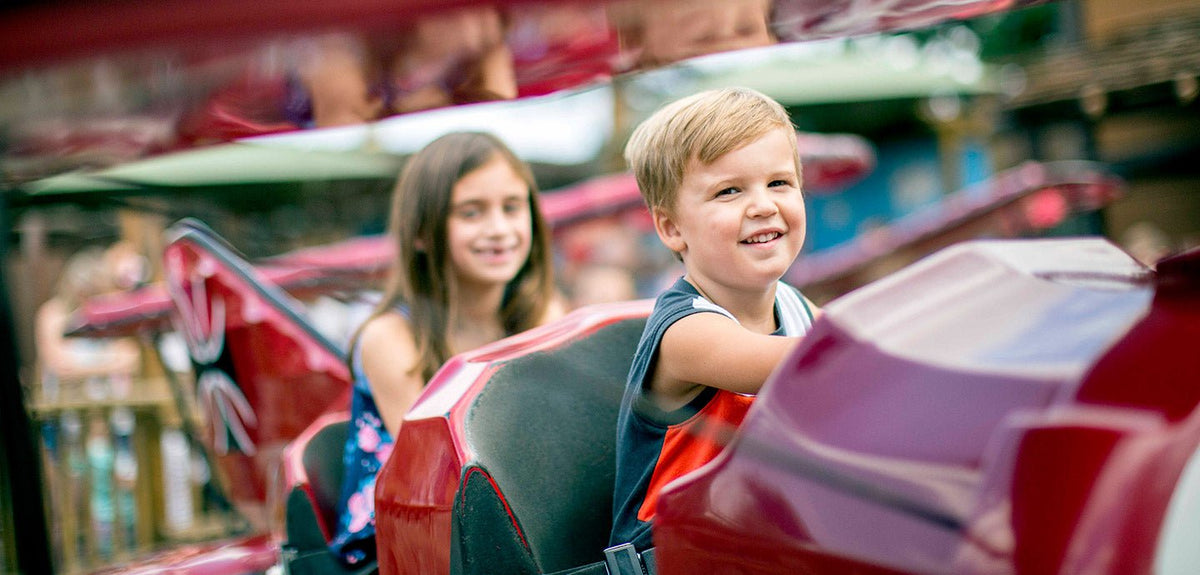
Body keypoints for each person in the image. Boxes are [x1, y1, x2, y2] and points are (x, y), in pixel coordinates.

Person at [329, 131, 564, 566]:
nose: (499, 229)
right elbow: (441, 473)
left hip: (516, 528)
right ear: (421, 233)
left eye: (512, 208)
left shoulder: (544, 314)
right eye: (471, 213)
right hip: (404, 548)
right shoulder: (390, 337)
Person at [609, 87, 820, 550]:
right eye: (729, 191)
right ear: (671, 228)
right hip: (677, 555)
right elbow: (818, 358)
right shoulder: (688, 333)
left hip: (763, 543)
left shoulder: (796, 308)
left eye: (780, 183)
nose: (763, 205)